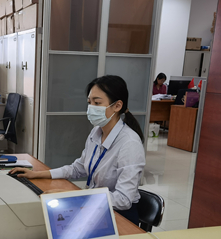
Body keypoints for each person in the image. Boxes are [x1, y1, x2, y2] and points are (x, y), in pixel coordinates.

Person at [10, 75, 145, 225]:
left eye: (97, 103)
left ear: (117, 106)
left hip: (119, 215)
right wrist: (36, 174)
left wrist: (74, 195)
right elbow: (77, 168)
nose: (91, 107)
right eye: (89, 102)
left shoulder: (129, 143)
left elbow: (123, 199)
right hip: (94, 207)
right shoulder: (96, 132)